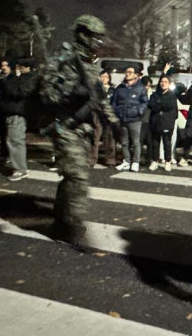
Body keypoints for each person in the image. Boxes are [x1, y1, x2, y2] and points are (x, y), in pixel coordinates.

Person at [34, 14, 118, 248]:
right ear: (82, 35)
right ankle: (74, 226)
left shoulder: (89, 68)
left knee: (71, 176)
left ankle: (60, 221)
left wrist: (114, 121)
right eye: (94, 37)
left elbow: (100, 98)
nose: (98, 43)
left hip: (83, 130)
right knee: (78, 176)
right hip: (63, 127)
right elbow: (47, 95)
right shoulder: (61, 60)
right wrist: (72, 90)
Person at [0, 58, 37, 181]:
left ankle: (20, 169)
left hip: (18, 113)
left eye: (21, 66)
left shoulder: (30, 79)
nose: (18, 69)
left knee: (15, 141)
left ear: (27, 67)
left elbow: (18, 92)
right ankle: (19, 168)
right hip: (14, 112)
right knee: (13, 140)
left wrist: (8, 81)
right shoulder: (23, 78)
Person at [111, 65, 148, 172]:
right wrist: (117, 112)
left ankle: (135, 162)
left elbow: (145, 102)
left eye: (130, 72)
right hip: (122, 118)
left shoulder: (140, 88)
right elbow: (114, 102)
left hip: (135, 119)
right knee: (124, 142)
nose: (127, 74)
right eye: (126, 72)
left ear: (136, 75)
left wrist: (139, 111)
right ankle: (126, 161)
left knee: (136, 142)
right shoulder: (120, 88)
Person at [146, 75, 178, 171]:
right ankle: (154, 161)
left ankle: (167, 161)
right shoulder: (155, 94)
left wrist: (159, 104)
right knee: (155, 143)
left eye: (165, 82)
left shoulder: (172, 96)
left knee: (167, 143)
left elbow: (169, 106)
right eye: (161, 82)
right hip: (155, 122)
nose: (163, 83)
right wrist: (160, 104)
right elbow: (151, 105)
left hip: (167, 123)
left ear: (169, 84)